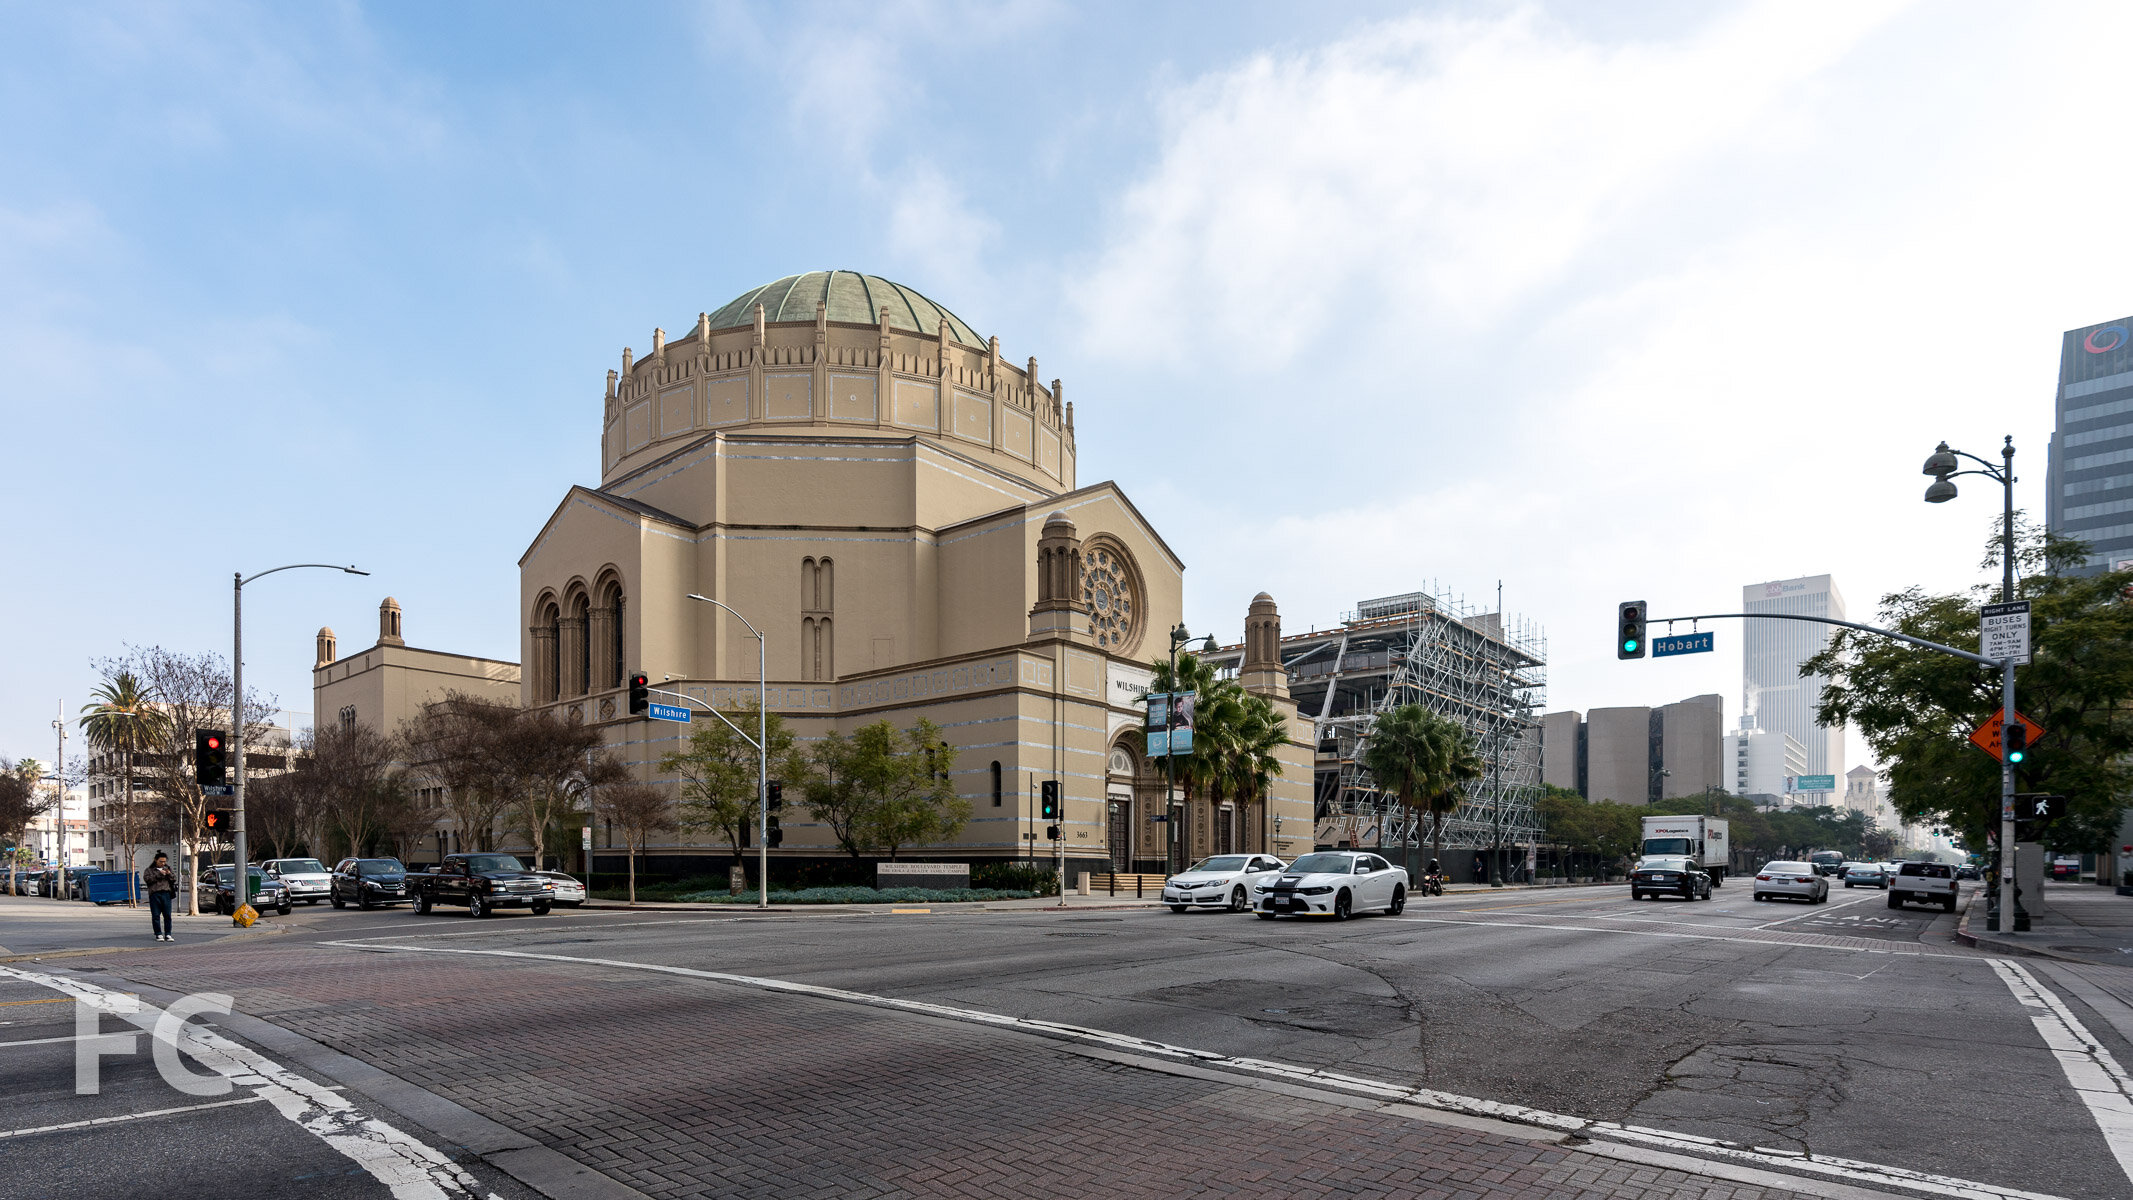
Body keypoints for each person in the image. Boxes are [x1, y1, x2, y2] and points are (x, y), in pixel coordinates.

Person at [143, 852, 177, 942]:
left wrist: (169, 874)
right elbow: (147, 880)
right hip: (155, 894)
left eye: (164, 861)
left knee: (167, 915)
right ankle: (158, 934)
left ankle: (168, 934)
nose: (163, 863)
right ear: (156, 860)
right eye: (161, 861)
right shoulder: (149, 870)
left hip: (166, 894)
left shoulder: (168, 868)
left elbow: (174, 879)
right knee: (156, 915)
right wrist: (159, 874)